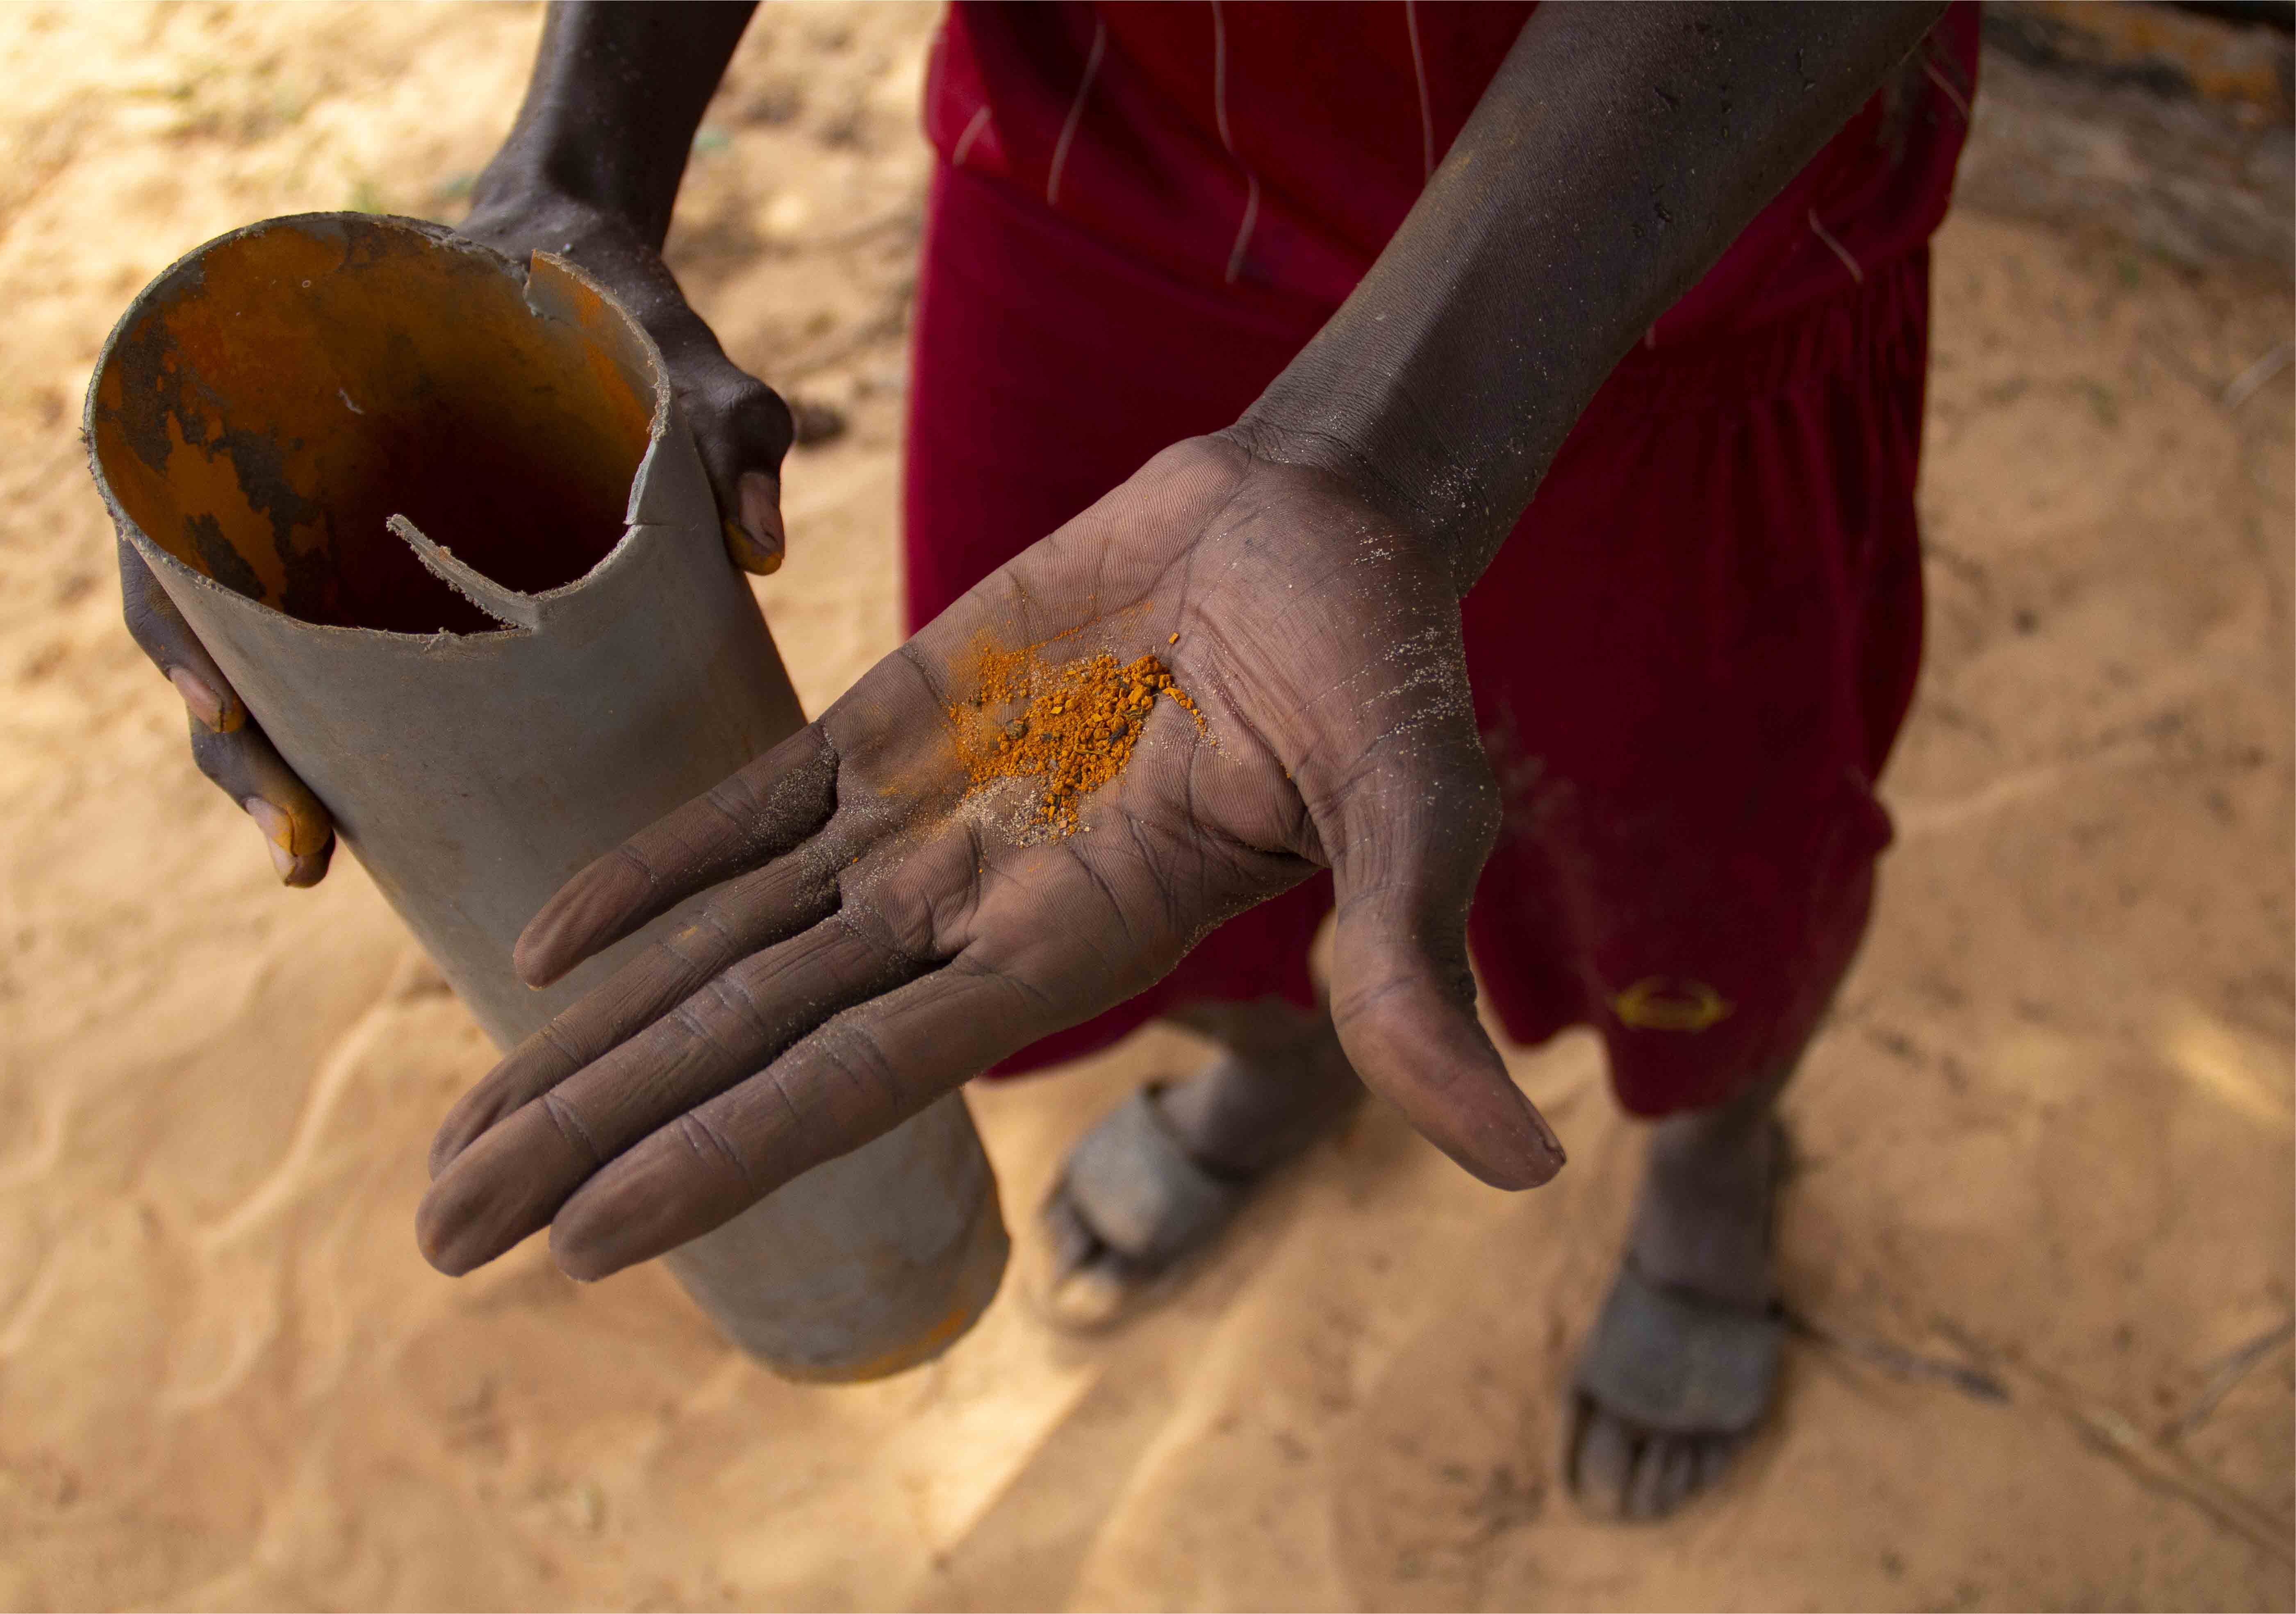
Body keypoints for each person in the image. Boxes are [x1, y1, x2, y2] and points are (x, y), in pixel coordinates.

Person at [120, 0, 1977, 1521]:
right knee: (1081, 828)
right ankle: (1273, 1065)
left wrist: (1367, 463)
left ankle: (1716, 1136)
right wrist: (574, 167)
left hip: (1663, 207)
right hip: (1118, 166)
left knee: (1701, 843)